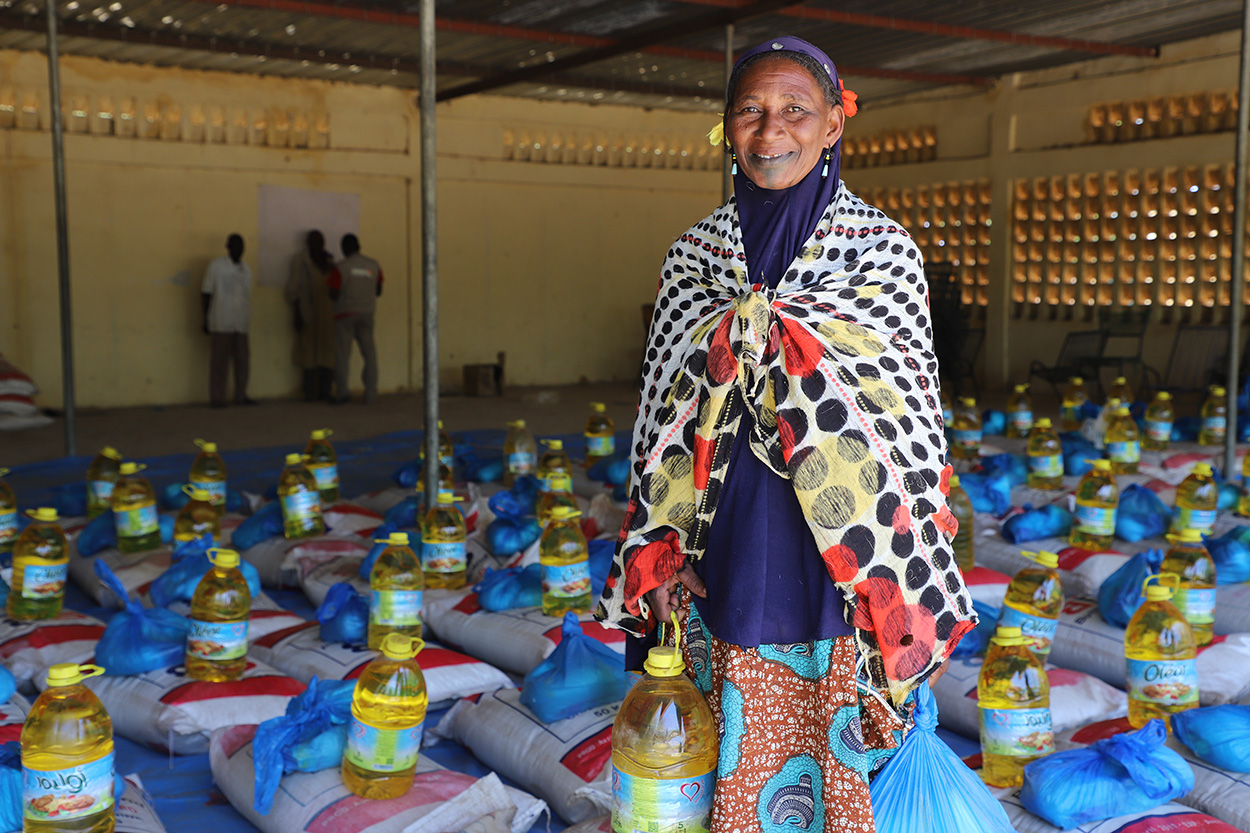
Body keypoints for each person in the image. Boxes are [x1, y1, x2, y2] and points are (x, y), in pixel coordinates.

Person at [594, 37, 975, 829]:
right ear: (726, 129)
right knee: (699, 764)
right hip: (719, 554)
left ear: (835, 124)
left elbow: (908, 430)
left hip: (837, 563)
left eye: (796, 110)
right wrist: (657, 551)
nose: (772, 132)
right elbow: (661, 424)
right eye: (751, 112)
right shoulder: (693, 257)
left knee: (829, 771)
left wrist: (899, 587)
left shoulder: (880, 254)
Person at [327, 234, 383, 404]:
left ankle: (342, 393)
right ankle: (371, 393)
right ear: (359, 246)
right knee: (370, 354)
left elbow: (333, 293)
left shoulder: (340, 267)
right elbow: (378, 290)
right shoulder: (373, 266)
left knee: (343, 355)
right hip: (366, 314)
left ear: (344, 248)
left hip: (345, 315)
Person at [201, 233, 255, 408]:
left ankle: (241, 395)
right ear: (228, 247)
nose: (239, 249)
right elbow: (206, 292)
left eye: (242, 246)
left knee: (243, 361)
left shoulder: (247, 269)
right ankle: (217, 399)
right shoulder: (216, 266)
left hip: (241, 322)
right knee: (219, 362)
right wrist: (205, 318)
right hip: (221, 320)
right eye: (235, 245)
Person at [284, 230, 337, 401]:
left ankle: (325, 390)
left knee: (327, 352)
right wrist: (297, 314)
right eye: (313, 241)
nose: (317, 245)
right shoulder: (300, 261)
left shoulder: (329, 261)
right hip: (307, 311)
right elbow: (294, 289)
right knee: (308, 353)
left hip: (328, 313)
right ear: (307, 243)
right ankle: (309, 392)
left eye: (320, 241)